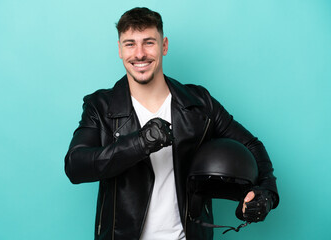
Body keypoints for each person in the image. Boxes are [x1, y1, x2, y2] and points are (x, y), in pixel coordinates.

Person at [64, 7, 279, 240]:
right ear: (119, 49)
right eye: (130, 44)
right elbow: (76, 166)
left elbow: (252, 146)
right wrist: (140, 143)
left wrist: (266, 192)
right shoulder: (100, 106)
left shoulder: (199, 103)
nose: (139, 54)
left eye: (148, 42)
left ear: (164, 45)